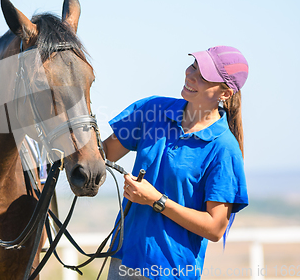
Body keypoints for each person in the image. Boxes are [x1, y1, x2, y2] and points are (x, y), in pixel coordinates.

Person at [103, 46, 249, 280]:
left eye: (203, 77)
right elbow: (103, 154)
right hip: (124, 260)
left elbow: (215, 228)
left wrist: (156, 200)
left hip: (170, 271)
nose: (190, 76)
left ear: (225, 94)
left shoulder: (223, 148)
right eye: (193, 66)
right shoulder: (151, 110)